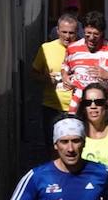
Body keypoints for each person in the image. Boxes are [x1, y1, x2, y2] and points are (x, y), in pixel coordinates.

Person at [62, 11, 108, 112]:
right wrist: (64, 76)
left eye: (96, 34)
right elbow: (65, 67)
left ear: (102, 33)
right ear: (83, 30)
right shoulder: (72, 49)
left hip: (107, 110)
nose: (91, 38)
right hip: (79, 110)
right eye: (88, 33)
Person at [32, 13, 78, 147]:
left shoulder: (84, 49)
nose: (67, 36)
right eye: (64, 32)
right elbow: (34, 74)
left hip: (77, 107)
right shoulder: (46, 48)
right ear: (57, 31)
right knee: (53, 146)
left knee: (75, 147)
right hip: (52, 107)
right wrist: (46, 79)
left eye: (71, 33)